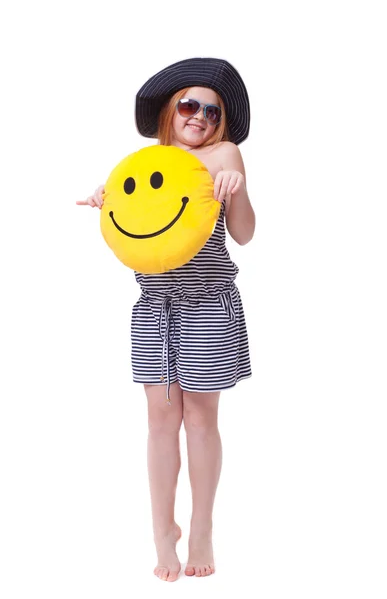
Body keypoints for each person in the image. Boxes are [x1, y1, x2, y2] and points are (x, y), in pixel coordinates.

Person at [77, 57, 255, 582]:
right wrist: (107, 203)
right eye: (187, 104)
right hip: (155, 306)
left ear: (221, 119)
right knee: (159, 422)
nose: (198, 115)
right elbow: (134, 230)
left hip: (206, 303)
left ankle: (201, 527)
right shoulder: (143, 166)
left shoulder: (224, 154)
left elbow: (243, 233)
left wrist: (235, 187)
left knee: (201, 421)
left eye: (210, 109)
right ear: (169, 112)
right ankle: (163, 532)